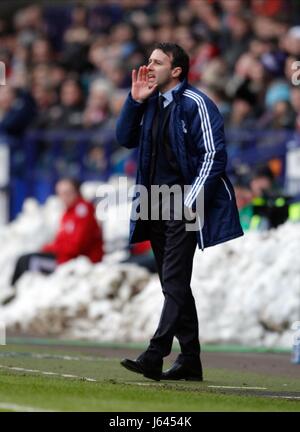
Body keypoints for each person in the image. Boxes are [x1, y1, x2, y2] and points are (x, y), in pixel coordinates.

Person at [116, 42, 243, 381]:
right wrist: (135, 101)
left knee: (173, 280)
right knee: (173, 284)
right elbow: (124, 138)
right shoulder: (151, 102)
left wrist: (191, 201)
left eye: (157, 62)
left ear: (176, 71)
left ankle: (156, 352)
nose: (149, 66)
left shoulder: (197, 103)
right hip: (154, 202)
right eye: (148, 60)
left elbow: (213, 155)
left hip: (184, 203)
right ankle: (190, 360)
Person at [11, 178, 103, 286]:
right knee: (23, 259)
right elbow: (62, 239)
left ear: (76, 192)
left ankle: (23, 295)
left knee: (29, 261)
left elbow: (75, 246)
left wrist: (51, 248)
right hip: (65, 256)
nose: (63, 197)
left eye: (67, 192)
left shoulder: (83, 211)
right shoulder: (69, 212)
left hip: (77, 262)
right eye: (60, 193)